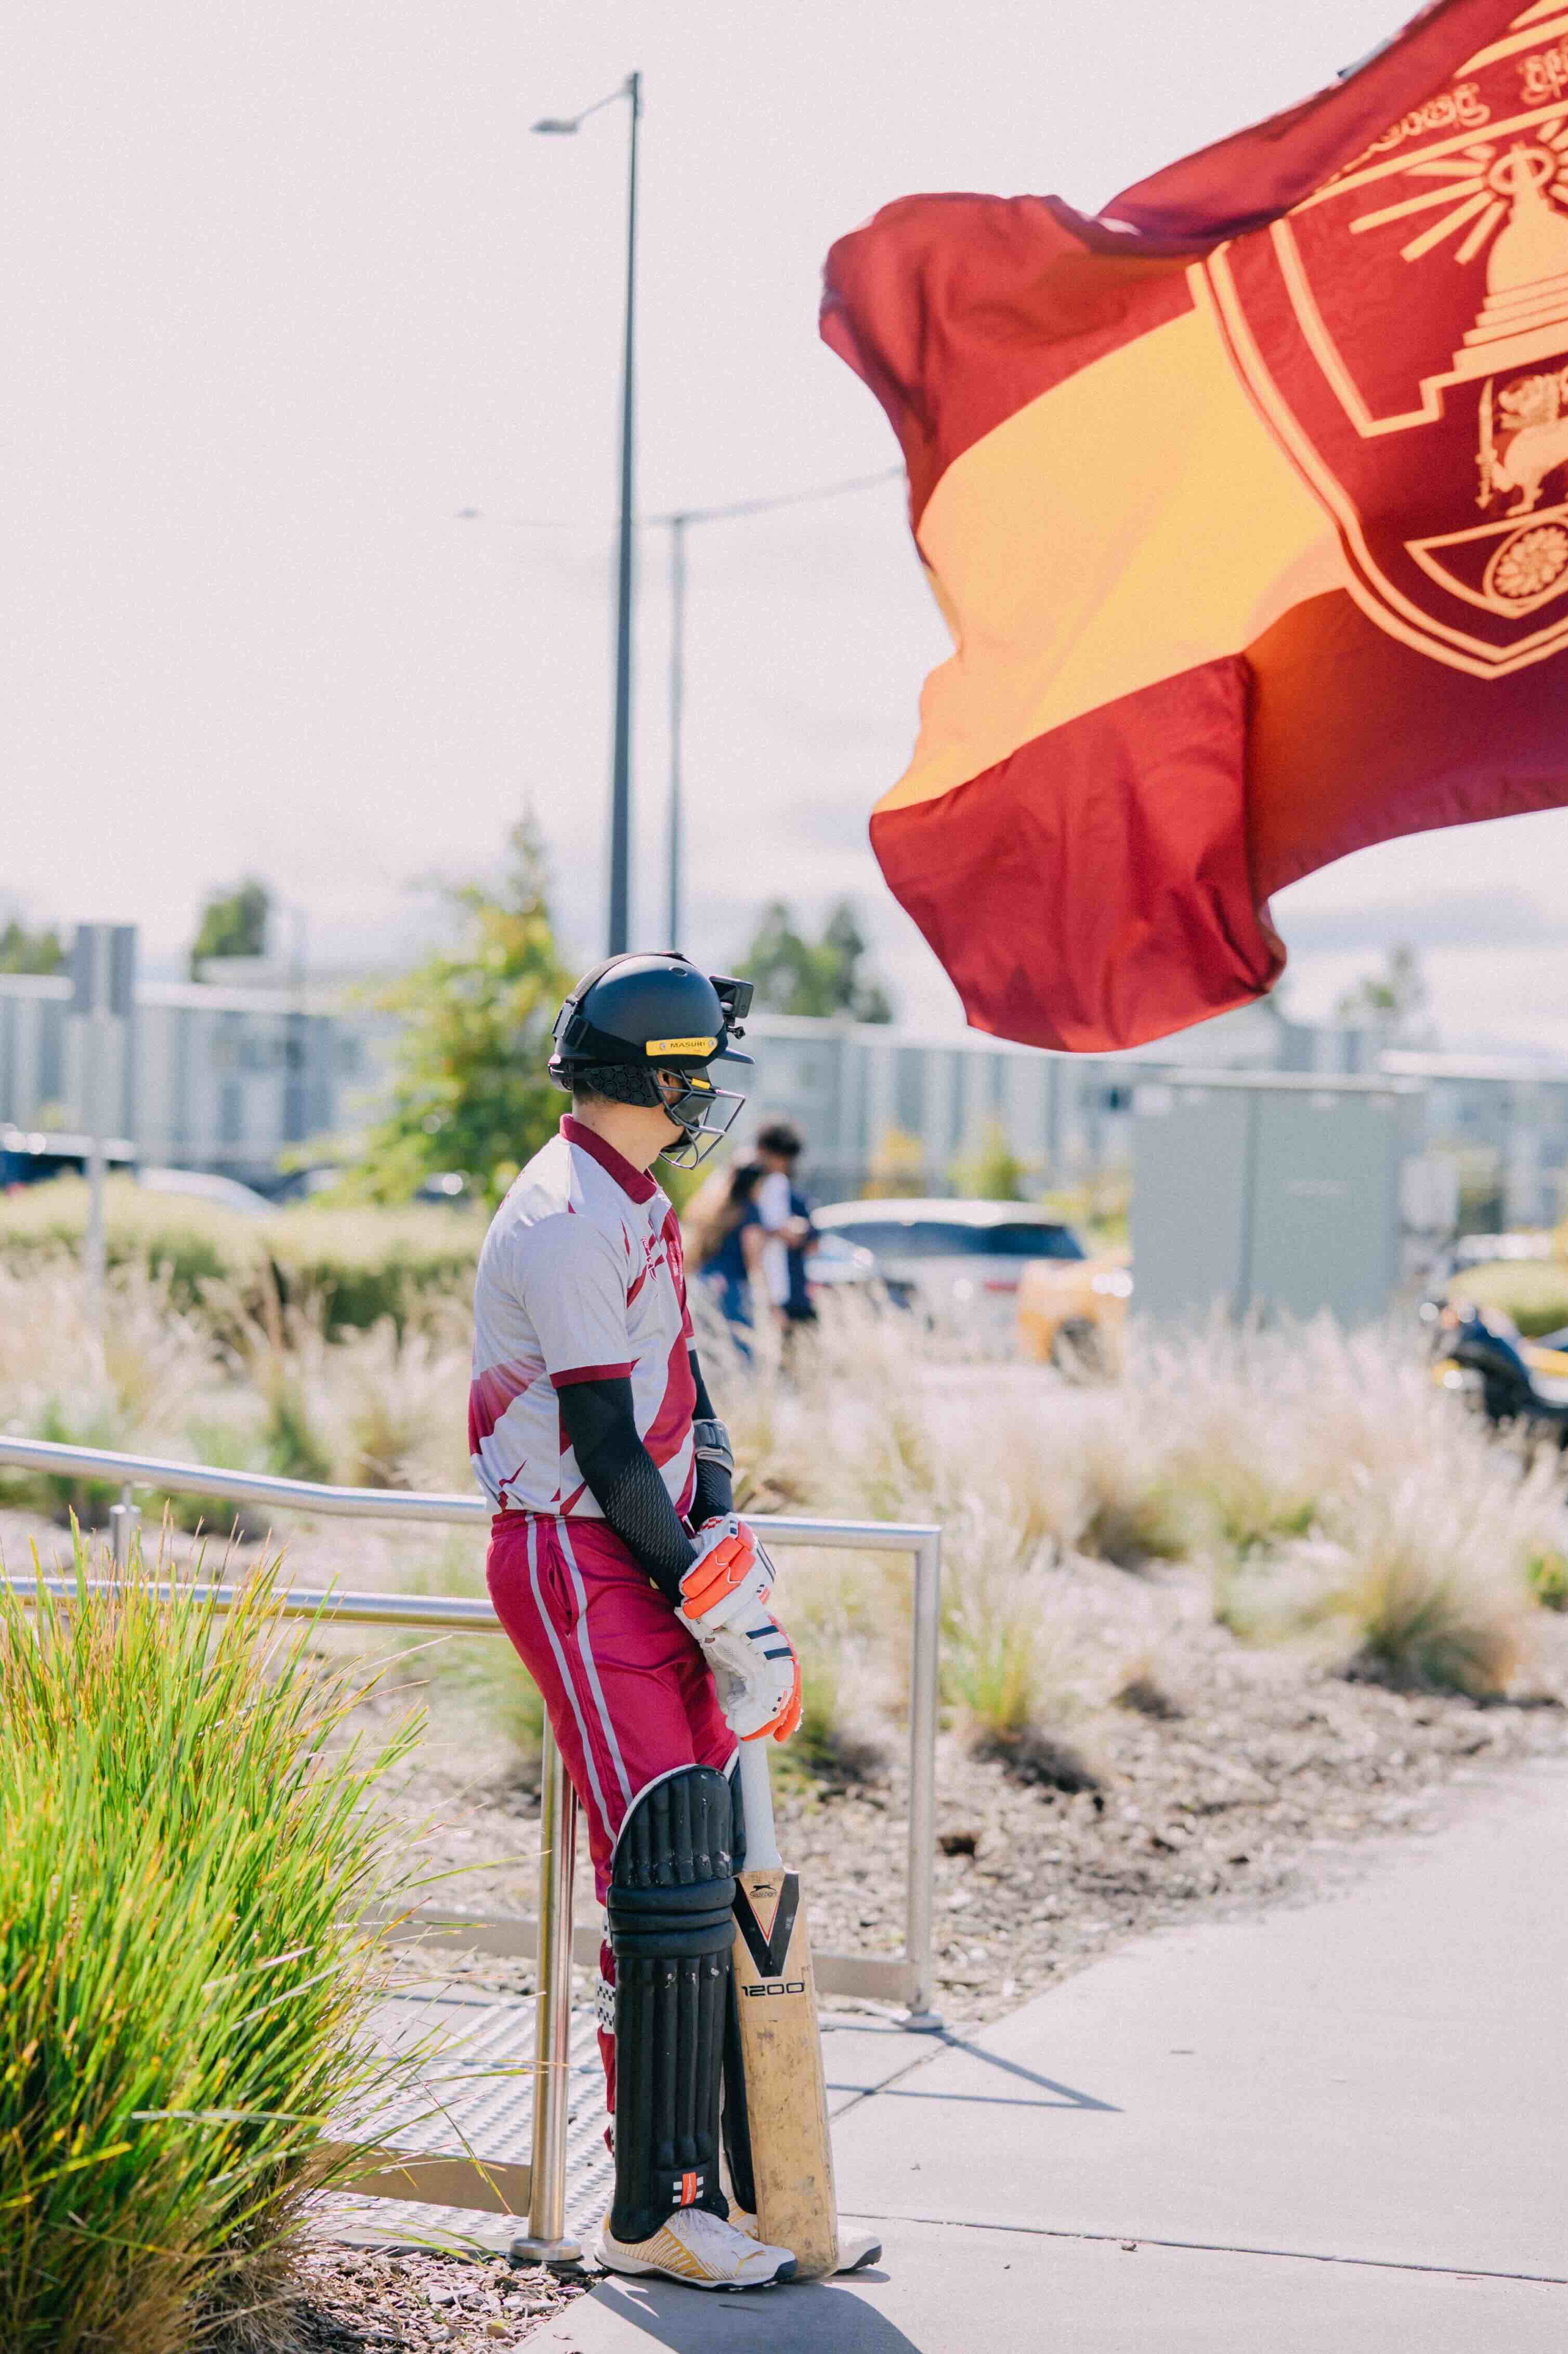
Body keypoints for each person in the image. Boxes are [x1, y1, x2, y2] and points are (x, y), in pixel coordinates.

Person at [468, 951, 804, 2291]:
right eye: (696, 1068)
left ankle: (726, 2188)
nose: (707, 1089)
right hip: (576, 1550)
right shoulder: (563, 1211)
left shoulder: (631, 1194)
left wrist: (717, 1537)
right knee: (659, 1857)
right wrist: (693, 1592)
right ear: (653, 1076)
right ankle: (650, 2208)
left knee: (694, 1855)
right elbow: (602, 1437)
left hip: (647, 1549)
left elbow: (683, 1388)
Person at [689, 1159, 767, 1349]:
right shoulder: (750, 1210)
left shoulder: (718, 1209)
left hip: (706, 1280)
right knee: (741, 1345)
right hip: (733, 1286)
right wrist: (762, 1288)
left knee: (712, 1345)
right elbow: (752, 1253)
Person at [754, 1120, 819, 1338]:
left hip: (792, 1291)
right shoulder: (748, 1191)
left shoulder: (789, 1195)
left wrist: (793, 1233)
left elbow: (813, 1243)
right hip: (763, 1291)